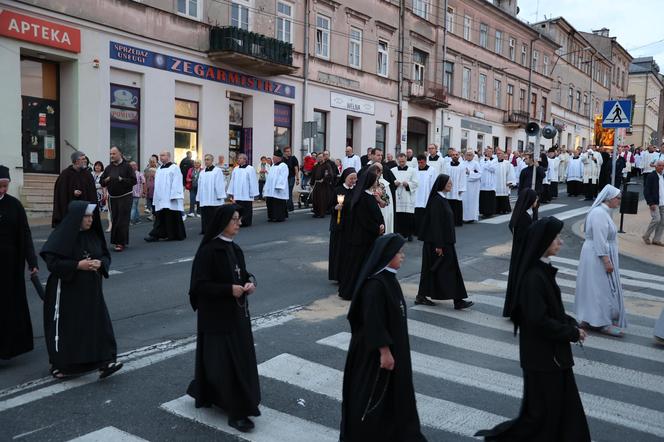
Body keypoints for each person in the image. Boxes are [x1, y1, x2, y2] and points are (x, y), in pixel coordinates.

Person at [477, 217, 590, 442]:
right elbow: (538, 321)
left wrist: (570, 322)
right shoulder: (533, 278)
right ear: (544, 242)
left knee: (550, 413)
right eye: (556, 238)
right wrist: (571, 333)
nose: (560, 242)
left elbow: (551, 311)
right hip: (544, 359)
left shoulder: (541, 271)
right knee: (542, 416)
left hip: (549, 358)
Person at [340, 234, 426, 442]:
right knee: (374, 396)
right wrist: (385, 352)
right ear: (387, 256)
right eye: (399, 253)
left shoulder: (389, 279)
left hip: (394, 349)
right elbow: (372, 323)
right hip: (375, 357)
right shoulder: (375, 286)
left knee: (396, 396)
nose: (403, 256)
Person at [186, 204, 260, 433]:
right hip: (217, 318)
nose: (238, 224)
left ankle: (209, 392)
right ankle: (236, 410)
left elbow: (243, 273)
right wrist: (229, 290)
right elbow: (200, 287)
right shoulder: (209, 251)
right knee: (226, 364)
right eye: (235, 220)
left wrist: (250, 284)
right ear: (223, 223)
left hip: (237, 314)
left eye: (239, 220)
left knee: (234, 360)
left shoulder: (235, 249)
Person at [40, 201, 123, 379]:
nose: (90, 220)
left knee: (97, 325)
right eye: (86, 216)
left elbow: (104, 255)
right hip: (67, 292)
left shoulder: (93, 235)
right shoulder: (62, 236)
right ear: (77, 217)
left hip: (91, 290)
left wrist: (100, 263)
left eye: (91, 216)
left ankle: (105, 361)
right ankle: (61, 364)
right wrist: (78, 265)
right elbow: (52, 263)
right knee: (68, 329)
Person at [575, 185, 627, 337]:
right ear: (609, 198)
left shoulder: (603, 212)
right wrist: (606, 260)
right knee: (601, 288)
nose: (619, 201)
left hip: (594, 253)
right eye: (618, 198)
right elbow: (599, 238)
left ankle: (590, 318)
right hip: (597, 255)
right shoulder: (599, 213)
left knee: (593, 287)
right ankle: (601, 322)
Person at [415, 174, 473, 309]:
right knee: (443, 270)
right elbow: (436, 224)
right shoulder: (437, 201)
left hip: (444, 242)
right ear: (441, 185)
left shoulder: (442, 199)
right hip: (438, 243)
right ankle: (456, 300)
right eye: (448, 183)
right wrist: (439, 245)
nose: (451, 185)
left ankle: (454, 299)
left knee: (439, 270)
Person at [0, 166, 39, 360]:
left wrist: (31, 261)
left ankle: (9, 348)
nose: (2, 190)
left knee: (9, 307)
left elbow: (24, 234)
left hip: (10, 266)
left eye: (5, 186)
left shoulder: (14, 205)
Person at [338, 165, 385, 300]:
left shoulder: (368, 196)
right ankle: (351, 291)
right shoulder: (364, 197)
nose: (377, 182)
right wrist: (377, 228)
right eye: (375, 180)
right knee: (357, 266)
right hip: (362, 238)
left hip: (365, 238)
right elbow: (365, 219)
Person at [503, 189, 539, 317]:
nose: (537, 201)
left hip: (520, 253)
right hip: (522, 254)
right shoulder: (524, 218)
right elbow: (532, 234)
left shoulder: (521, 214)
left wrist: (535, 211)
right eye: (535, 199)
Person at [101, 146, 137, 252]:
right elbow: (102, 182)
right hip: (113, 197)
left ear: (120, 154)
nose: (112, 156)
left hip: (125, 196)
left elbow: (133, 181)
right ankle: (117, 241)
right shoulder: (108, 168)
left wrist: (122, 180)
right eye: (110, 154)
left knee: (122, 220)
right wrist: (106, 179)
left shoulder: (127, 166)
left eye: (114, 154)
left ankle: (120, 243)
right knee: (115, 220)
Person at [145, 151, 186, 242]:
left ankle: (173, 235)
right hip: (161, 198)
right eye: (160, 155)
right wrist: (156, 196)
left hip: (170, 198)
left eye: (163, 155)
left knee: (171, 216)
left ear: (168, 156)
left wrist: (174, 195)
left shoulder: (174, 168)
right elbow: (158, 184)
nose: (161, 157)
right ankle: (156, 235)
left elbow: (177, 182)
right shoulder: (159, 169)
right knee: (160, 216)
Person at [52, 151, 97, 227]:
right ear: (76, 161)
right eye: (82, 159)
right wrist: (72, 192)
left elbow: (92, 191)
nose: (85, 161)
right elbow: (61, 192)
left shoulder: (87, 174)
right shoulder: (65, 174)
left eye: (85, 159)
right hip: (70, 210)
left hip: (85, 208)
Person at [329, 168, 357, 282]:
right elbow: (329, 207)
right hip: (339, 225)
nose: (353, 181)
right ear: (345, 178)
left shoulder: (356, 191)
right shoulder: (338, 190)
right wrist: (335, 208)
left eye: (355, 178)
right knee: (339, 251)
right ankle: (338, 275)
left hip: (352, 225)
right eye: (351, 178)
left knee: (350, 252)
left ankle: (349, 275)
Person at [196, 154, 227, 235]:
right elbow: (200, 185)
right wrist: (199, 196)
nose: (206, 161)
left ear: (212, 160)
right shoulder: (202, 172)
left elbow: (219, 184)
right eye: (205, 159)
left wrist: (220, 195)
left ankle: (215, 230)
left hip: (213, 197)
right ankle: (205, 229)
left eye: (208, 159)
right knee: (205, 214)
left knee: (213, 214)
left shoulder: (217, 170)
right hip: (204, 197)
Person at [391, 153, 419, 240]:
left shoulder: (412, 170)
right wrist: (394, 183)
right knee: (398, 215)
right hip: (397, 195)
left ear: (406, 160)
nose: (402, 163)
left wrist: (408, 184)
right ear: (397, 160)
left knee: (408, 216)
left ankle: (409, 234)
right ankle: (397, 233)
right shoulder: (392, 170)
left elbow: (416, 183)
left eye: (403, 161)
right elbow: (390, 182)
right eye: (400, 161)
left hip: (407, 196)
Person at [227, 154, 259, 227]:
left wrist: (252, 193)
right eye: (238, 158)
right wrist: (231, 192)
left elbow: (253, 181)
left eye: (240, 158)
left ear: (245, 160)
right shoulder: (236, 169)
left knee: (246, 208)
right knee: (238, 208)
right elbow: (232, 180)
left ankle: (246, 222)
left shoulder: (250, 168)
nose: (238, 159)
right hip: (237, 193)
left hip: (246, 193)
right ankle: (239, 221)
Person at [264, 150, 290, 222]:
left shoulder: (283, 166)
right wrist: (267, 186)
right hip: (271, 188)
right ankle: (272, 216)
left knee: (278, 203)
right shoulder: (272, 166)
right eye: (273, 158)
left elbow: (283, 176)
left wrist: (279, 186)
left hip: (278, 188)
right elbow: (270, 177)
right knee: (270, 202)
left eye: (274, 158)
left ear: (279, 158)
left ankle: (279, 217)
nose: (273, 159)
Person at [643, 160, 664, 246]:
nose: (662, 167)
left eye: (663, 166)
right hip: (654, 202)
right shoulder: (651, 176)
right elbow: (646, 190)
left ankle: (656, 239)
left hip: (663, 202)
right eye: (660, 165)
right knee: (657, 219)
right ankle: (646, 236)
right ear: (655, 166)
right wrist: (650, 203)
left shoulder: (663, 176)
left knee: (662, 221)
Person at [414, 154, 436, 235]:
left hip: (426, 195)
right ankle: (416, 231)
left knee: (425, 214)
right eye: (419, 162)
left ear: (425, 161)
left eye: (422, 162)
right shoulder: (415, 170)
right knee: (417, 214)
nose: (420, 164)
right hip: (416, 195)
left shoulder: (432, 170)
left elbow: (433, 184)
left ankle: (425, 231)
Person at [310, 152, 336, 218]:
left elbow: (330, 174)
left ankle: (322, 213)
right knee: (315, 199)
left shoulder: (327, 165)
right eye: (318, 157)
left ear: (323, 157)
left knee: (322, 199)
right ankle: (316, 212)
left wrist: (324, 179)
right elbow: (313, 175)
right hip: (316, 184)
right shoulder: (316, 166)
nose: (319, 158)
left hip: (323, 185)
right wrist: (311, 183)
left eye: (321, 157)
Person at [445, 150, 467, 226]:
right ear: (451, 156)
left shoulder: (462, 166)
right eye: (453, 155)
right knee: (449, 204)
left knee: (457, 204)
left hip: (457, 188)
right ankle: (448, 221)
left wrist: (461, 189)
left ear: (459, 156)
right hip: (449, 189)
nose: (455, 156)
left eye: (456, 155)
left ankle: (457, 221)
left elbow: (463, 178)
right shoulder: (447, 165)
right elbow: (445, 176)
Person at [461, 150, 481, 223]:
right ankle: (464, 217)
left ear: (473, 156)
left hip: (473, 186)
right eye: (467, 155)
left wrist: (469, 172)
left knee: (472, 201)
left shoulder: (476, 164)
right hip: (465, 184)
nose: (468, 156)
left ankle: (471, 217)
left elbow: (480, 174)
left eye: (470, 155)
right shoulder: (463, 163)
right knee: (464, 201)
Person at [374, 163, 394, 234]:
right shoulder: (367, 181)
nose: (377, 172)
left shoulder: (384, 184)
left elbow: (387, 201)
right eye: (376, 169)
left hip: (382, 211)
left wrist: (380, 199)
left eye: (379, 170)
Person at [495, 150, 515, 214]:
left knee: (504, 195)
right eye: (497, 153)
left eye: (500, 153)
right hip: (496, 183)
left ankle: (504, 209)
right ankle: (496, 209)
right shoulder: (494, 162)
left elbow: (510, 173)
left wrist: (510, 181)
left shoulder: (507, 163)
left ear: (503, 155)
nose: (498, 155)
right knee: (496, 195)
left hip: (504, 182)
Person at [479, 148, 497, 218]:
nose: (489, 153)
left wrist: (488, 161)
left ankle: (490, 212)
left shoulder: (494, 160)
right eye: (487, 152)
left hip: (490, 182)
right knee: (483, 197)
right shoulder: (481, 160)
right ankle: (483, 212)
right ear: (485, 152)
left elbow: (493, 169)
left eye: (490, 152)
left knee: (490, 198)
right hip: (483, 181)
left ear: (492, 153)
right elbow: (481, 169)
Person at [283, 146, 299, 212]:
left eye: (289, 151)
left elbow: (296, 168)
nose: (288, 152)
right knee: (284, 192)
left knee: (289, 192)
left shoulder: (293, 158)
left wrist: (297, 178)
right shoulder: (282, 159)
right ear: (284, 152)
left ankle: (290, 207)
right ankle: (285, 206)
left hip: (291, 177)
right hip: (284, 178)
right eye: (287, 151)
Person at [144, 156, 158, 220]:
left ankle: (155, 215)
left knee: (155, 203)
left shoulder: (159, 169)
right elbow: (145, 179)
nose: (152, 163)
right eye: (151, 162)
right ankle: (153, 214)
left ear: (156, 162)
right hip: (149, 189)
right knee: (151, 202)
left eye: (153, 162)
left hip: (157, 189)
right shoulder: (147, 170)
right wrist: (145, 189)